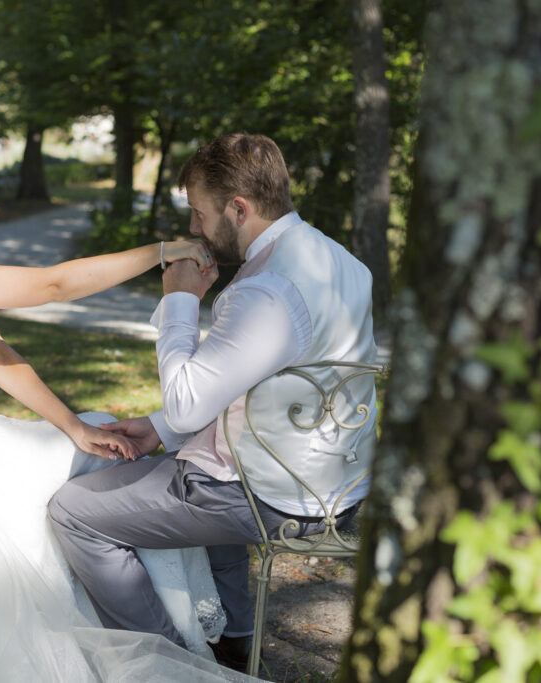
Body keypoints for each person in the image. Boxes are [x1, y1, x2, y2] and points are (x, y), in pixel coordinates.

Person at [0, 124, 257, 682]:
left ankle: (161, 631)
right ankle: (176, 642)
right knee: (122, 462)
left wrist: (71, 426)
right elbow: (51, 288)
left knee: (98, 433)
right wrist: (160, 251)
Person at [49, 133, 377, 671]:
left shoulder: (269, 287)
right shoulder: (341, 262)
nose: (195, 229)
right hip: (335, 483)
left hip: (271, 496)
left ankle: (169, 666)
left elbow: (186, 405)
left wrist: (179, 297)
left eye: (199, 215)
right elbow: (239, 382)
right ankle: (235, 642)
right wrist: (158, 429)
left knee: (74, 512)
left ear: (238, 208)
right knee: (189, 461)